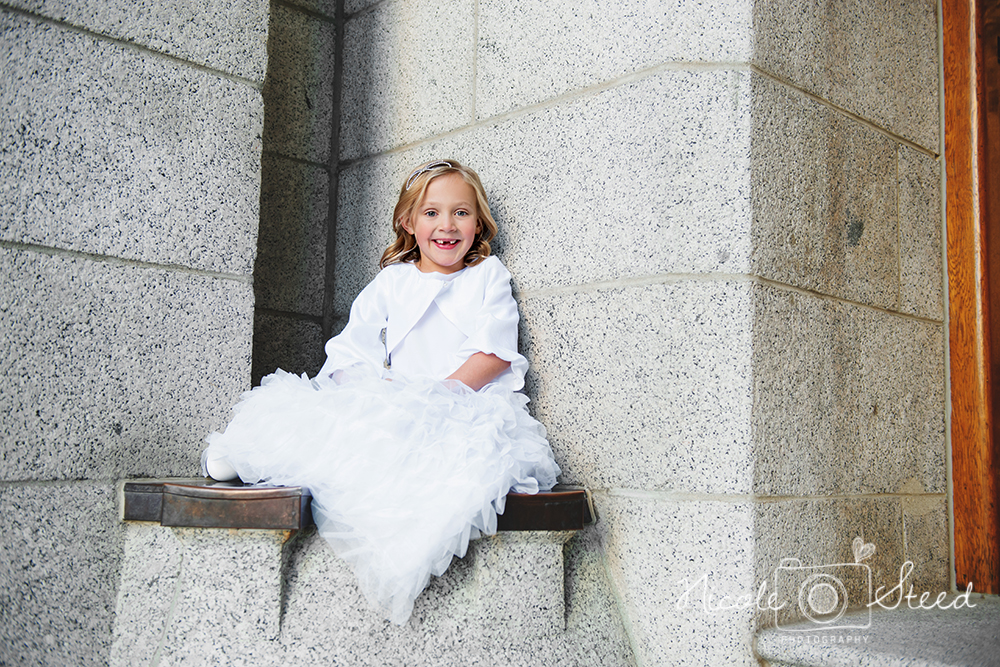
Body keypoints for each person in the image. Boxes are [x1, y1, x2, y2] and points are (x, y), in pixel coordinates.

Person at [201, 159, 561, 625]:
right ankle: (250, 450)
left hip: (466, 403)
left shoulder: (487, 276)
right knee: (344, 416)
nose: (446, 226)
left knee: (423, 447)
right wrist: (373, 389)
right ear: (408, 222)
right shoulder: (393, 282)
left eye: (461, 213)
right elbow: (351, 353)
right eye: (431, 213)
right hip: (397, 396)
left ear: (479, 223)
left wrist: (440, 394)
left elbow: (493, 355)